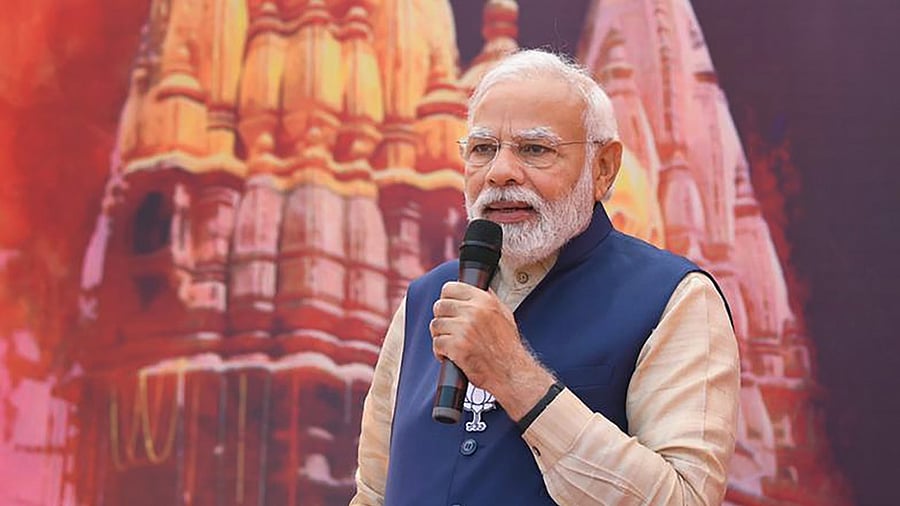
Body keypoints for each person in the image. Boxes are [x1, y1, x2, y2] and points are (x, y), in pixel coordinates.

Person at [351, 49, 739, 506]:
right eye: (482, 149)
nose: (500, 173)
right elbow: (373, 492)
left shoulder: (673, 299)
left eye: (535, 149)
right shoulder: (426, 300)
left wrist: (517, 377)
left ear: (603, 168)